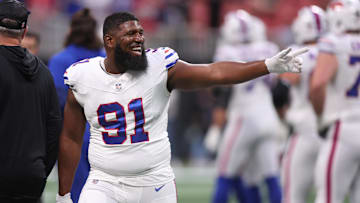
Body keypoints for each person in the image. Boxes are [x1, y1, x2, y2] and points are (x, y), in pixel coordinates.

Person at [56, 11, 307, 203]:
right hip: (105, 182)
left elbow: (215, 72)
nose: (139, 39)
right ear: (109, 40)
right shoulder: (83, 76)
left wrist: (266, 65)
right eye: (130, 35)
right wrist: (64, 194)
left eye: (140, 33)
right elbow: (70, 138)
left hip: (154, 181)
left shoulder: (159, 67)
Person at [207, 10, 282, 203]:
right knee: (269, 176)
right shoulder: (268, 47)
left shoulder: (226, 51)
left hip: (244, 118)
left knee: (224, 173)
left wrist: (216, 127)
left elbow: (222, 91)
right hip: (268, 116)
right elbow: (276, 87)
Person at [0, 0, 62, 203]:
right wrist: (41, 171)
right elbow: (54, 128)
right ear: (24, 31)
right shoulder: (44, 72)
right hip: (31, 177)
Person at [48, 8, 105, 203]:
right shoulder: (106, 58)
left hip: (74, 138)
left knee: (78, 194)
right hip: (109, 134)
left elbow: (57, 104)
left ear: (70, 31)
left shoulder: (59, 60)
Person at [309, 0, 360, 203]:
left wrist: (320, 116)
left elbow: (317, 84)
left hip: (343, 127)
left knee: (329, 198)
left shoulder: (333, 43)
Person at [279, 5, 327, 203]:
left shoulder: (300, 53)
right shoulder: (333, 51)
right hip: (331, 130)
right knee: (329, 193)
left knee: (293, 195)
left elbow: (283, 88)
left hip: (304, 129)